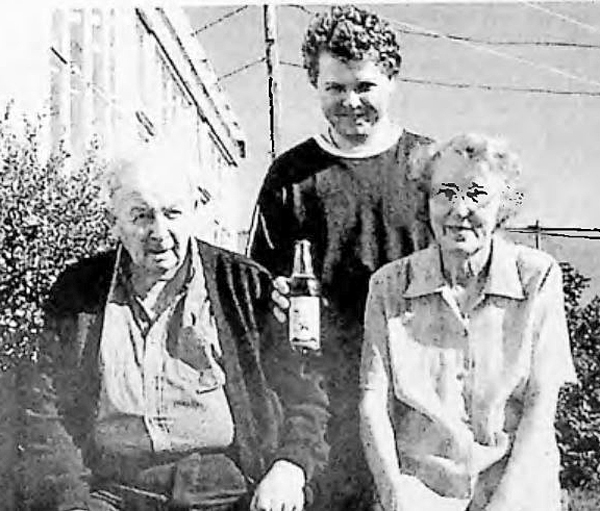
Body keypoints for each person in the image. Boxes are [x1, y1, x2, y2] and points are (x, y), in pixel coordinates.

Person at [17, 135, 329, 511]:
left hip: (226, 491)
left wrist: (290, 467)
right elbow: (45, 406)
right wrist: (70, 499)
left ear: (195, 210)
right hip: (114, 491)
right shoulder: (78, 291)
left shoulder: (246, 286)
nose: (160, 233)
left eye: (173, 213)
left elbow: (306, 394)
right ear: (113, 222)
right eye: (141, 215)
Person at [248, 5, 432, 510]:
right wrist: (273, 298)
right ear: (315, 85)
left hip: (418, 398)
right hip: (327, 405)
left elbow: (507, 204)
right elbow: (258, 294)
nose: (351, 102)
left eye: (364, 86)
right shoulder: (290, 177)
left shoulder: (430, 165)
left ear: (392, 81)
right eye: (335, 88)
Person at [359, 133, 577, 511]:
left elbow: (541, 405)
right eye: (444, 194)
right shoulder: (389, 285)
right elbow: (372, 400)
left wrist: (505, 503)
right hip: (422, 491)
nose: (459, 209)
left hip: (517, 484)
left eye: (477, 195)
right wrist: (393, 493)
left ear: (502, 206)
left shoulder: (537, 277)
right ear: (426, 202)